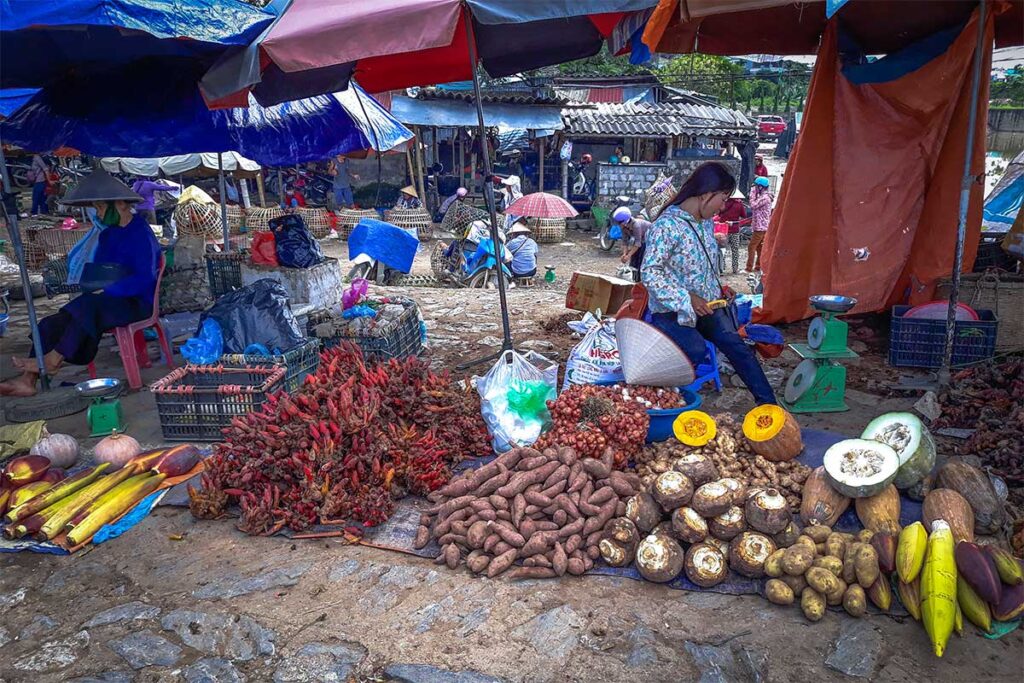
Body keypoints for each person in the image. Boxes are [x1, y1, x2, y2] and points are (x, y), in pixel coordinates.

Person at [0, 171, 161, 397]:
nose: (98, 213)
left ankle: (53, 359)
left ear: (119, 205)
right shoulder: (107, 235)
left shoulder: (141, 234)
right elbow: (100, 270)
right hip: (108, 302)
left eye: (101, 208)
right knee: (51, 322)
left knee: (88, 306)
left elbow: (145, 278)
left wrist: (109, 289)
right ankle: (29, 380)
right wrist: (93, 284)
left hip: (136, 303)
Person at [641, 162, 776, 405]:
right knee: (693, 350)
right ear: (705, 194)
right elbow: (650, 273)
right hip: (671, 312)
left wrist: (719, 287)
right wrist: (687, 298)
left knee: (739, 348)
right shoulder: (666, 226)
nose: (723, 207)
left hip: (707, 307)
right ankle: (658, 402)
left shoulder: (705, 223)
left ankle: (770, 406)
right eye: (722, 199)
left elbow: (703, 266)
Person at [611, 206, 652, 283]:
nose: (619, 225)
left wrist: (628, 255)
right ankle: (634, 279)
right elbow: (625, 241)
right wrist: (624, 254)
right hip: (640, 240)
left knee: (641, 260)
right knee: (633, 262)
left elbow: (637, 243)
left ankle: (640, 281)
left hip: (649, 240)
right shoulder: (624, 227)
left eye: (619, 223)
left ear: (625, 221)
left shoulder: (636, 225)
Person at [717, 188, 748, 274]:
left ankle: (721, 268)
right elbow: (744, 215)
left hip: (723, 230)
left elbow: (719, 214)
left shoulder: (722, 204)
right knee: (735, 250)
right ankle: (735, 269)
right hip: (735, 230)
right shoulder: (739, 205)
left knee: (723, 249)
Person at [747, 176, 773, 272]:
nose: (755, 188)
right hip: (762, 225)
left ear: (761, 187)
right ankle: (758, 266)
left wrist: (752, 193)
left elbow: (753, 205)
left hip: (760, 226)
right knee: (759, 247)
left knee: (751, 246)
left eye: (756, 186)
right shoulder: (765, 196)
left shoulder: (764, 198)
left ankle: (749, 268)